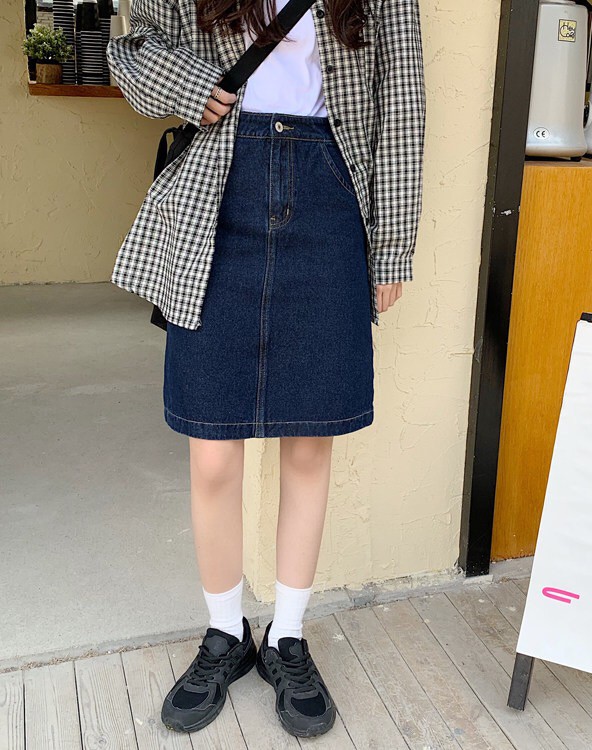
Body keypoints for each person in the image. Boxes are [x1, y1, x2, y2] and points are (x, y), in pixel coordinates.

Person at [106, 0, 425, 737]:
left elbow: (403, 100)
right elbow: (131, 52)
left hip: (329, 191)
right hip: (218, 193)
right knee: (212, 451)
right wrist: (193, 86)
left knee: (309, 443)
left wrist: (392, 243)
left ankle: (288, 636)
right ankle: (226, 633)